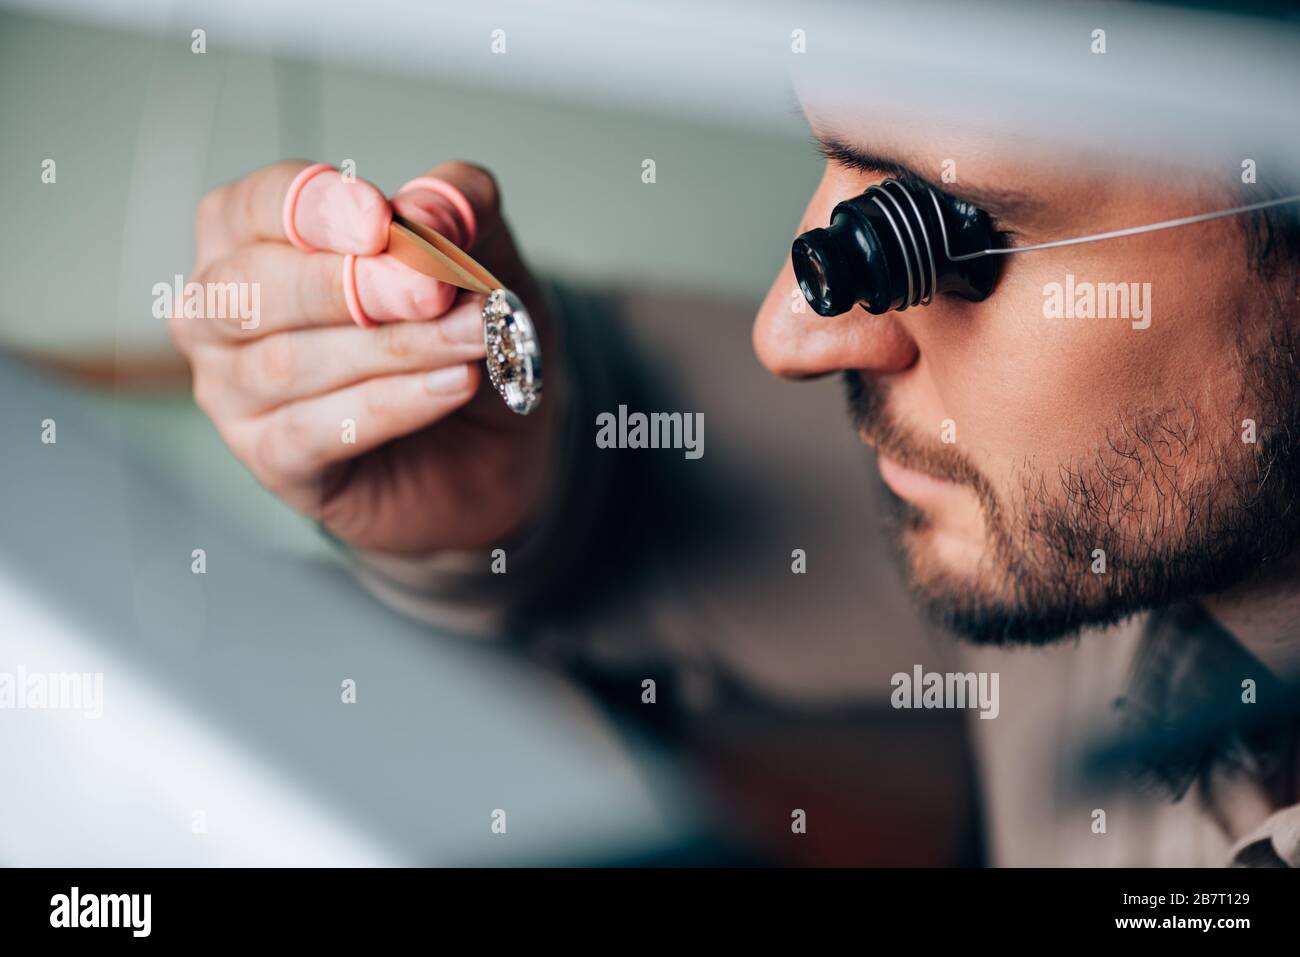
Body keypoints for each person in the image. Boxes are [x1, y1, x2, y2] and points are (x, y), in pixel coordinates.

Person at [168, 105, 1300, 865]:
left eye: (966, 238)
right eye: (839, 166)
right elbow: (652, 470)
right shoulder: (1095, 541)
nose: (788, 338)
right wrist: (512, 486)